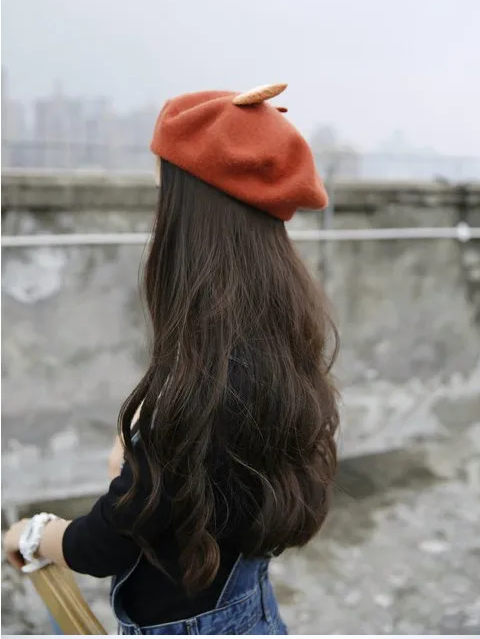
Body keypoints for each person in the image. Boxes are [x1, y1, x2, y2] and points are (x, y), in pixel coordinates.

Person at [4, 83, 340, 635]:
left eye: (166, 199)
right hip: (251, 612)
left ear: (192, 223)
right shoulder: (267, 348)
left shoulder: (210, 383)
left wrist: (33, 534)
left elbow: (108, 543)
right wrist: (141, 454)